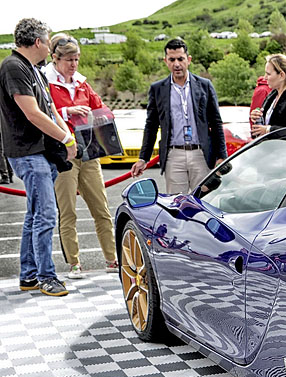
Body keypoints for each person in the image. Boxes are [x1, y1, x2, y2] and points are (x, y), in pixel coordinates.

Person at [1, 18, 76, 297]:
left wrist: (67, 136)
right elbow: (32, 113)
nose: (50, 47)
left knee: (35, 214)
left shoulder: (35, 70)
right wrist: (65, 139)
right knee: (46, 214)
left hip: (42, 152)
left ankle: (29, 275)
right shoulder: (13, 66)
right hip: (27, 152)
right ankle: (46, 276)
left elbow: (51, 109)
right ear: (37, 42)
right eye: (48, 41)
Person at [42, 33, 118, 279]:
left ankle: (112, 259)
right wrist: (67, 111)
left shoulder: (82, 83)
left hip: (88, 150)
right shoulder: (45, 81)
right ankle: (74, 263)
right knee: (68, 212)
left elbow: (99, 108)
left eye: (76, 59)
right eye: (69, 60)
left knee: (101, 209)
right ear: (55, 58)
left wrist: (104, 115)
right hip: (62, 153)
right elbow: (42, 114)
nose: (73, 64)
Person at [130, 38, 226, 194]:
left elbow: (216, 123)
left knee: (204, 201)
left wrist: (222, 156)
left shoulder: (204, 85)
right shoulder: (157, 89)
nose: (176, 64)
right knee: (176, 203)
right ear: (165, 61)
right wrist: (143, 158)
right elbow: (151, 125)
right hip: (174, 156)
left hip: (201, 154)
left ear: (188, 60)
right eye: (172, 60)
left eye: (180, 59)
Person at [250, 54, 286, 137]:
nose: (265, 77)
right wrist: (257, 118)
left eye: (268, 74)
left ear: (281, 75)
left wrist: (268, 130)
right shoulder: (272, 95)